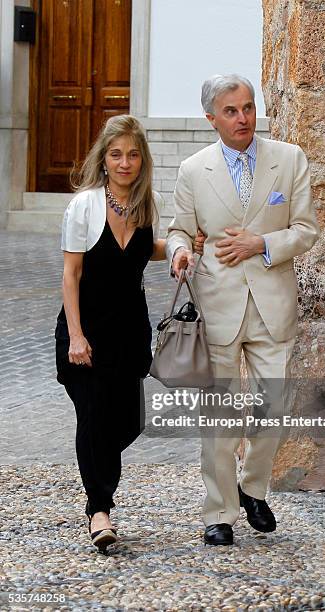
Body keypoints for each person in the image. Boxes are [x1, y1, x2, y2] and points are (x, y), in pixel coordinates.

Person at [167, 75, 320, 545]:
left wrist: (262, 243)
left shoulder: (289, 159)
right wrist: (179, 253)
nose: (243, 118)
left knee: (273, 407)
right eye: (231, 111)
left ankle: (253, 487)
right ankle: (219, 512)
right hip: (218, 306)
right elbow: (179, 230)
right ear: (211, 118)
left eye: (249, 107)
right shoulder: (194, 170)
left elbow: (306, 230)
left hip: (273, 303)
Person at [55, 114, 204, 552]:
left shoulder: (144, 203)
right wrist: (76, 336)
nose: (125, 163)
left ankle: (97, 476)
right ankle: (99, 509)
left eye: (133, 155)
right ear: (104, 159)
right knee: (94, 414)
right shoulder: (83, 205)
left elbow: (143, 250)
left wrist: (177, 251)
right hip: (86, 329)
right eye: (116, 154)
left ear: (143, 160)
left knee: (127, 421)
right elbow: (70, 274)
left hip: (129, 332)